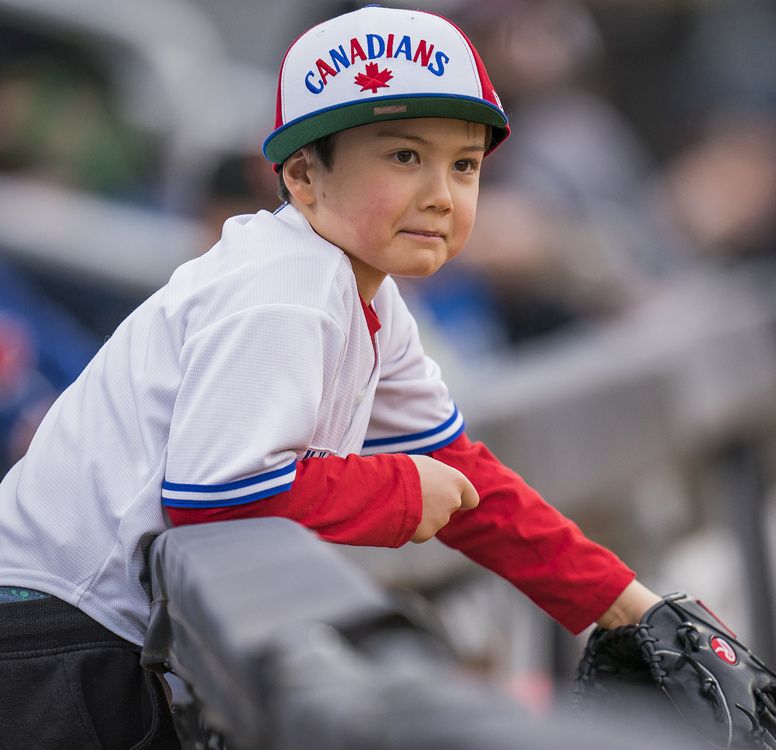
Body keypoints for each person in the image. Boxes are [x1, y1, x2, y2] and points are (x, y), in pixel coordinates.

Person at [0, 6, 660, 747]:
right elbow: (214, 497)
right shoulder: (281, 284)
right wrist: (400, 492)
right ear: (305, 175)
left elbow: (463, 475)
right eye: (404, 156)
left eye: (465, 164)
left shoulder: (365, 289)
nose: (443, 193)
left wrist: (631, 604)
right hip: (47, 634)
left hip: (91, 632)